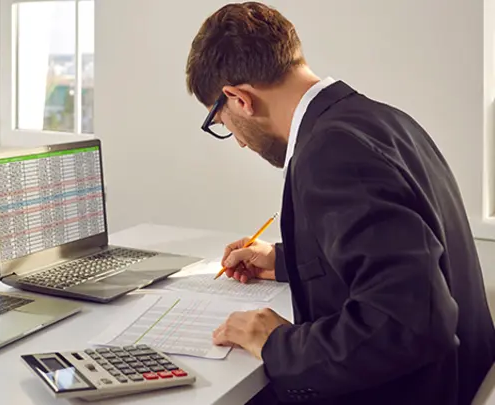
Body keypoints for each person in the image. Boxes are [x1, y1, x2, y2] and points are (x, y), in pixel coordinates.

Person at [185, 2, 495, 405]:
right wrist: (285, 260)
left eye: (224, 124)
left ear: (238, 98)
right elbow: (403, 251)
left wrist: (276, 342)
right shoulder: (382, 120)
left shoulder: (332, 152)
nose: (240, 141)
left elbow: (408, 324)